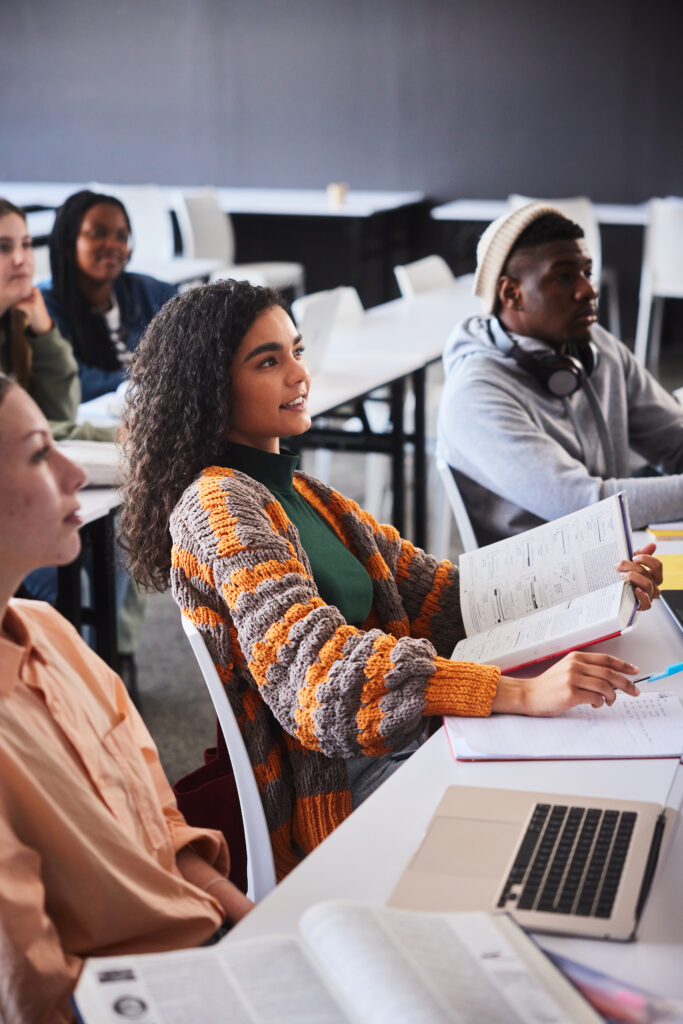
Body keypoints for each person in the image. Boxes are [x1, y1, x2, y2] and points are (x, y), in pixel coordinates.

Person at [119, 279, 661, 882]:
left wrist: (599, 578)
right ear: (211, 387)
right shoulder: (217, 507)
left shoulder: (308, 495)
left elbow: (447, 598)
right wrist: (518, 695)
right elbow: (320, 681)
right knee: (575, 782)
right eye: (268, 362)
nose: (298, 374)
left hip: (394, 739)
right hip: (335, 784)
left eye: (297, 351)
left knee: (594, 757)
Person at [0, 373, 252, 1024]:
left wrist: (240, 913)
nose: (74, 474)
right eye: (38, 454)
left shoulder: (52, 631)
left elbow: (157, 819)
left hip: (206, 943)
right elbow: (34, 993)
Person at [437, 201, 683, 546]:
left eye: (587, 272)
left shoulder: (598, 348)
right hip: (538, 573)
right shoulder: (475, 394)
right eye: (564, 276)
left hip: (617, 552)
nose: (588, 290)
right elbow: (585, 505)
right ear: (511, 293)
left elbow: (676, 442)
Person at [41, 190, 177, 402]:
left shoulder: (154, 293)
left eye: (121, 237)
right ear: (68, 242)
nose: (113, 245)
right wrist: (146, 381)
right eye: (98, 233)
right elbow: (73, 382)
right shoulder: (44, 305)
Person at [0, 198, 111, 441]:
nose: (21, 259)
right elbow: (11, 430)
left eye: (26, 245)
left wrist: (44, 332)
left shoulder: (18, 322)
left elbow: (60, 414)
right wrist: (115, 435)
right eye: (3, 247)